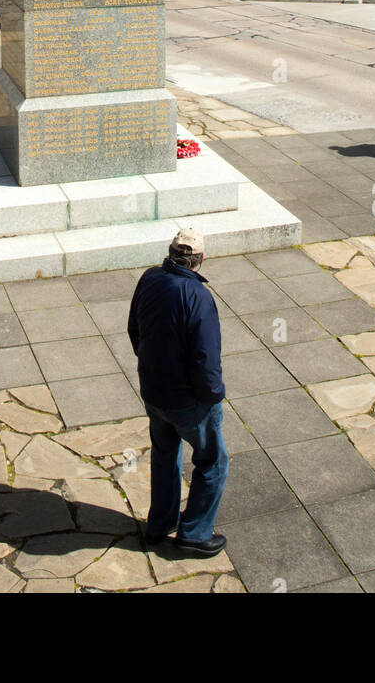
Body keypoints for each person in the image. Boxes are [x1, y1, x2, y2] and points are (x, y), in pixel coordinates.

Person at [127, 227, 229, 556]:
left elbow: (134, 330)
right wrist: (213, 395)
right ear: (200, 259)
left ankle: (160, 524)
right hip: (188, 401)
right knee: (213, 461)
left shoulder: (149, 278)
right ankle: (195, 533)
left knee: (164, 454)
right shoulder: (198, 296)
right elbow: (205, 356)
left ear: (170, 252)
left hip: (153, 391)